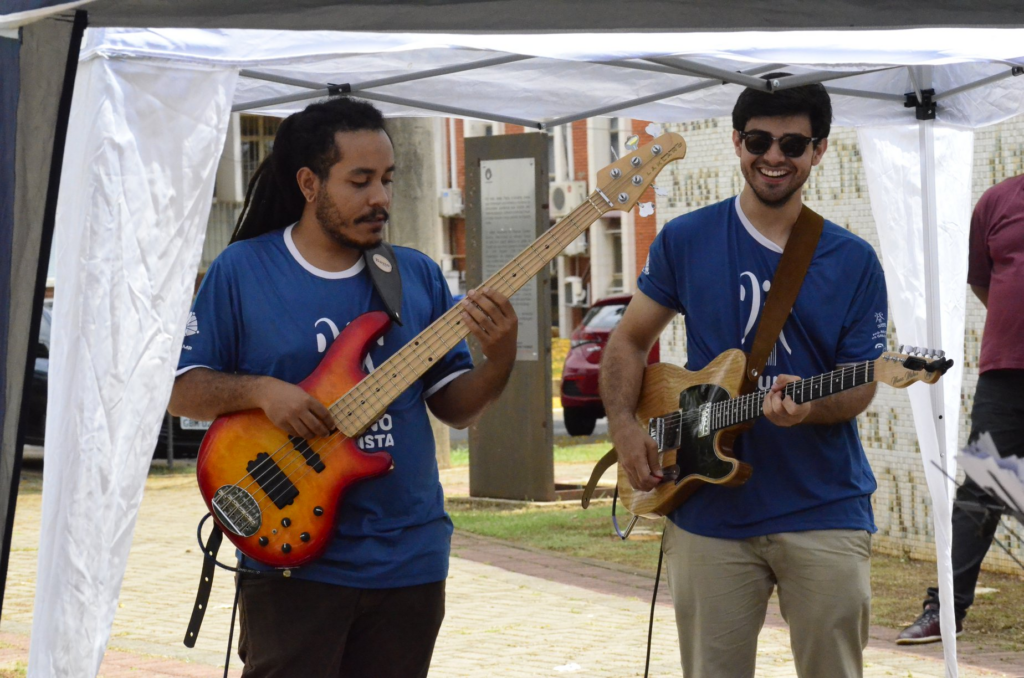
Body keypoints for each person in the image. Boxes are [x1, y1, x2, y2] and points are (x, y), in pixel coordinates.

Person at [169, 97, 518, 678]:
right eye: (360, 181)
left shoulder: (416, 275)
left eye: (387, 179)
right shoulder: (242, 270)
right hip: (293, 556)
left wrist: (501, 356)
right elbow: (182, 389)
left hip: (410, 559)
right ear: (309, 183)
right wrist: (262, 392)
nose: (381, 197)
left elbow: (453, 407)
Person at [602, 76, 888, 678]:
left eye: (793, 144)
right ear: (737, 142)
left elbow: (861, 383)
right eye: (759, 140)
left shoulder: (853, 259)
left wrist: (809, 409)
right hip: (707, 510)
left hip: (824, 507)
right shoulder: (686, 238)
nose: (774, 157)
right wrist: (626, 425)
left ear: (819, 150)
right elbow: (629, 340)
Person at [896, 174, 1024, 645]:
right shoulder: (998, 201)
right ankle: (945, 610)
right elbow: (982, 279)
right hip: (1005, 371)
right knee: (983, 486)